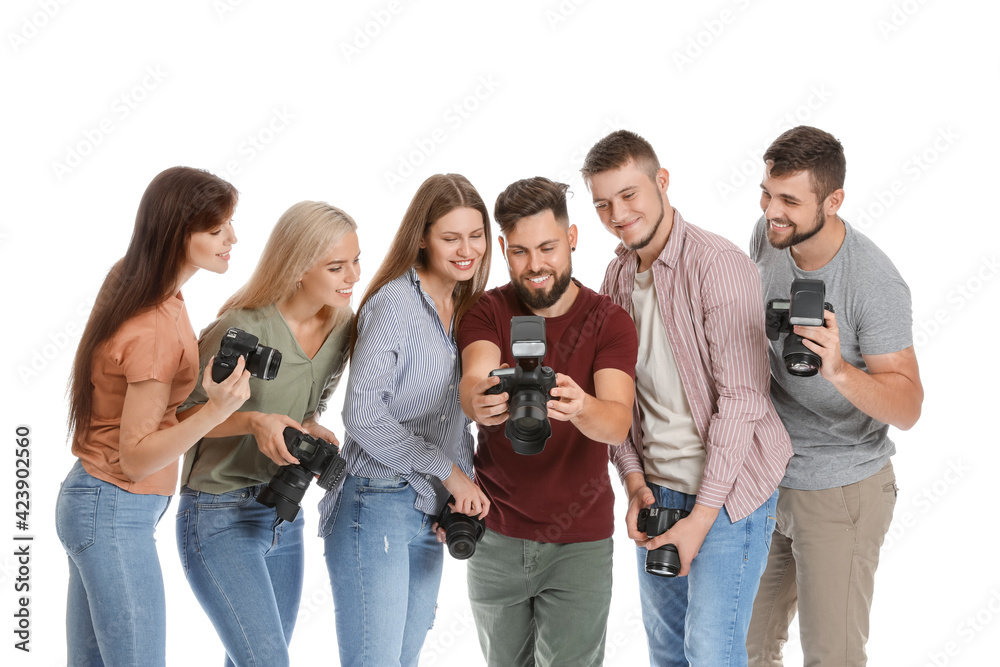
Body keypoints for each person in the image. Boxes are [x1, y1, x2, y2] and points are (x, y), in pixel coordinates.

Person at [581, 130, 794, 667]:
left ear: (662, 181)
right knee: (668, 654)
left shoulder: (717, 265)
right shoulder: (617, 277)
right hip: (657, 493)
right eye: (603, 203)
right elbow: (616, 401)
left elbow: (742, 400)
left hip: (729, 495)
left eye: (629, 194)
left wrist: (700, 518)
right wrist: (633, 483)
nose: (618, 213)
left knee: (712, 654)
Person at [55, 166, 250, 666]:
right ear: (175, 234)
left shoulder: (135, 280)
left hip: (96, 500)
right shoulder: (154, 326)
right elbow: (137, 458)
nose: (233, 238)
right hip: (115, 506)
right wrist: (216, 408)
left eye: (229, 223)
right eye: (216, 230)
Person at [745, 126, 923, 666]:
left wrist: (839, 369)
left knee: (831, 657)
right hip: (772, 479)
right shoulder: (769, 235)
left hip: (844, 488)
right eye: (767, 193)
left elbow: (910, 404)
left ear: (833, 200)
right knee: (746, 647)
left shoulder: (872, 281)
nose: (772, 210)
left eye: (790, 201)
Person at [459, 176, 638, 667]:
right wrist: (480, 400)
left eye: (547, 247)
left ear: (573, 238)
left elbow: (618, 424)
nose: (535, 265)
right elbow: (473, 379)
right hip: (496, 534)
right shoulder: (487, 310)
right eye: (519, 252)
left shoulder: (609, 320)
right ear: (503, 248)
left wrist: (580, 406)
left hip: (579, 542)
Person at [175, 201, 360, 667]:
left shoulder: (342, 327)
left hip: (282, 510)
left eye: (357, 261)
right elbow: (179, 418)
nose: (352, 276)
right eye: (336, 266)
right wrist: (254, 422)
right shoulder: (240, 327)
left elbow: (308, 403)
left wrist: (312, 424)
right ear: (298, 267)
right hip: (219, 512)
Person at [319, 173, 492, 667]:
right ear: (423, 236)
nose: (467, 249)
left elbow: (458, 417)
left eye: (475, 235)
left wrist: (458, 488)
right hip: (376, 502)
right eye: (451, 237)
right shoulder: (394, 303)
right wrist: (447, 471)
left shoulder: (468, 309)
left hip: (429, 509)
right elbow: (363, 415)